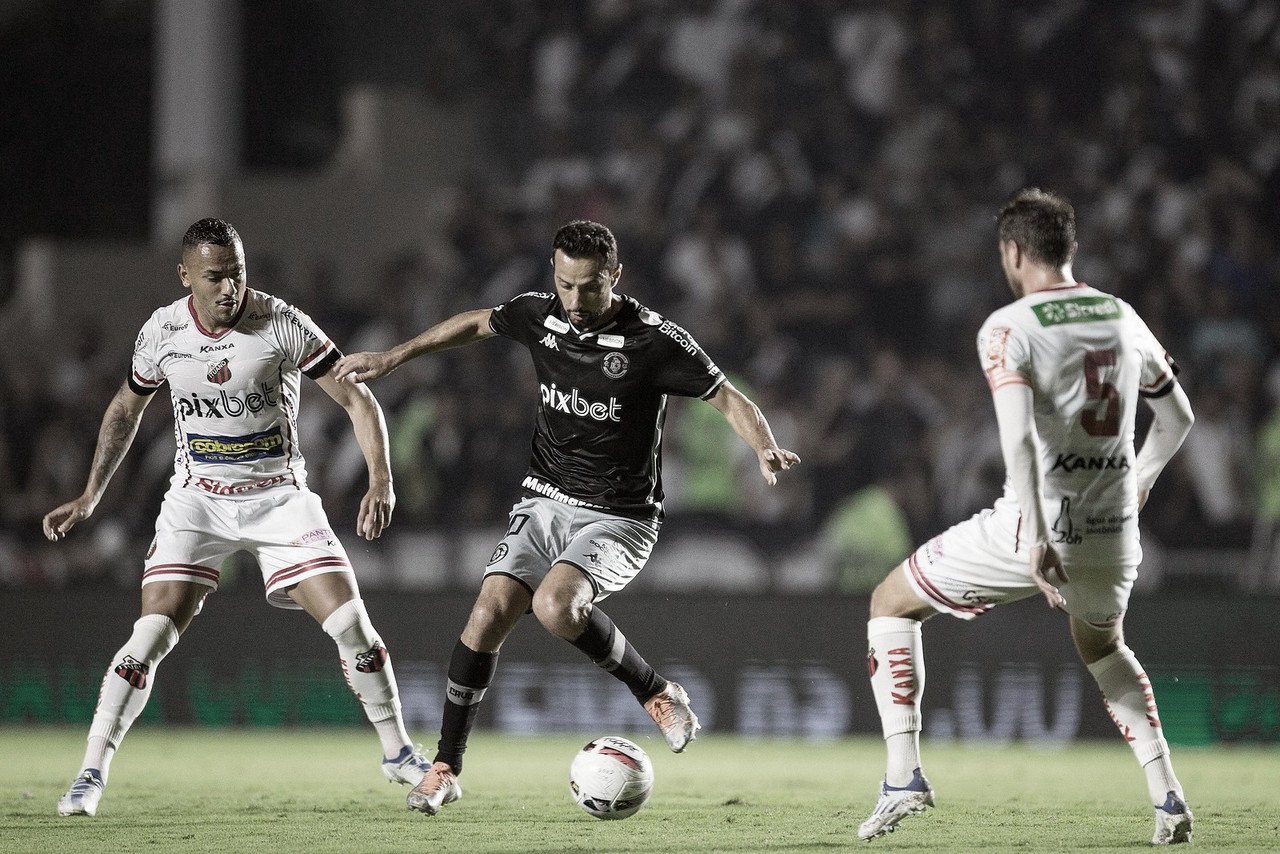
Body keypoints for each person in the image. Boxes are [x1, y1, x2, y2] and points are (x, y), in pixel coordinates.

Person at [336, 219, 800, 816]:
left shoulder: (655, 342)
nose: (575, 301)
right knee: (487, 614)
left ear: (616, 277)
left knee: (556, 606)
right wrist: (396, 356)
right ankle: (446, 768)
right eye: (564, 285)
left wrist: (762, 445)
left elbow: (728, 396)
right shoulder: (542, 315)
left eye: (589, 287)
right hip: (544, 501)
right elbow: (479, 322)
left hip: (621, 516)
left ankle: (657, 693)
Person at [45, 219, 430, 817]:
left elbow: (357, 396)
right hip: (197, 500)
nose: (230, 288)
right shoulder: (164, 330)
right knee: (145, 640)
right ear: (186, 278)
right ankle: (90, 773)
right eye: (215, 276)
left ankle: (400, 754)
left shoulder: (281, 323)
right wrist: (91, 494)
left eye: (238, 273)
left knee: (355, 629)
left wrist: (380, 479)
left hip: (280, 496)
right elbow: (127, 406)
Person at [856, 190, 1197, 845]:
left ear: (1012, 252)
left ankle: (904, 778)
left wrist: (1038, 539)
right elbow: (1178, 415)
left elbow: (1015, 442)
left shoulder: (1009, 326)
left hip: (1032, 526)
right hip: (1116, 531)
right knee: (1103, 647)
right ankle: (1169, 798)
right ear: (1068, 248)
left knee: (890, 604)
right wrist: (1142, 479)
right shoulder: (1121, 315)